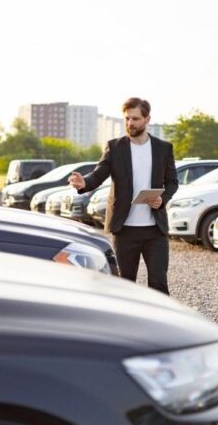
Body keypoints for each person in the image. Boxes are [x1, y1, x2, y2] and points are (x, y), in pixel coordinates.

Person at [68, 97, 178, 295]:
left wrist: (163, 199)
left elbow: (172, 182)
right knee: (124, 285)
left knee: (159, 283)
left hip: (155, 230)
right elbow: (99, 174)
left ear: (147, 119)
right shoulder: (115, 147)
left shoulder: (163, 148)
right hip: (125, 229)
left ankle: (160, 324)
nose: (130, 123)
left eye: (135, 119)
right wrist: (84, 183)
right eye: (127, 119)